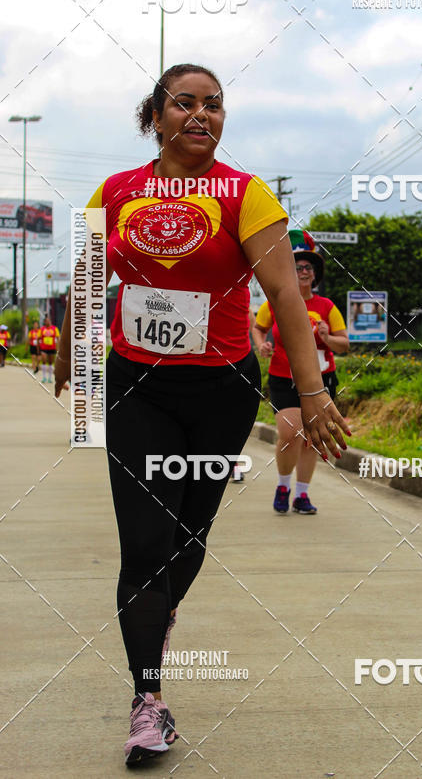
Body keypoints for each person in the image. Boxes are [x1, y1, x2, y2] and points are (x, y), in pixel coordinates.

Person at [54, 63, 350, 767]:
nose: (200, 115)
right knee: (146, 544)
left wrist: (311, 394)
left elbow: (284, 298)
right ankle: (148, 701)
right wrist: (72, 352)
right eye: (183, 104)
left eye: (213, 106)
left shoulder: (244, 195)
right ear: (154, 117)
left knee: (188, 540)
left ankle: (159, 606)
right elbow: (90, 279)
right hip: (138, 390)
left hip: (220, 393)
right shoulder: (115, 192)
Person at [252, 229, 350, 515]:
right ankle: (283, 485)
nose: (303, 272)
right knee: (289, 432)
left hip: (322, 378)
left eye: (308, 267)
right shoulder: (275, 302)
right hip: (283, 376)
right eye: (296, 267)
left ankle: (302, 494)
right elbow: (258, 328)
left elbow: (343, 345)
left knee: (313, 438)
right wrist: (262, 345)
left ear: (315, 274)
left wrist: (327, 337)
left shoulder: (327, 307)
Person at [39, 315, 60, 383]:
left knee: (51, 363)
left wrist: (58, 348)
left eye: (48, 320)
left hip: (52, 348)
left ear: (50, 321)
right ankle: (44, 377)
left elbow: (58, 338)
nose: (47, 322)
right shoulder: (42, 329)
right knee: (44, 361)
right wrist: (38, 349)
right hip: (43, 348)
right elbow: (38, 338)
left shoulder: (54, 329)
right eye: (46, 321)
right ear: (44, 322)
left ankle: (50, 378)